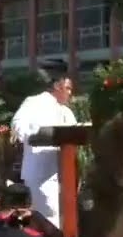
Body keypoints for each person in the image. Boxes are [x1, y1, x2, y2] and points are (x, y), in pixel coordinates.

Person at [11, 62, 77, 226]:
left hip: (64, 173)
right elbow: (17, 125)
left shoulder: (67, 112)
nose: (70, 93)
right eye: (68, 89)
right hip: (41, 172)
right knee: (46, 217)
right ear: (57, 86)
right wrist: (37, 135)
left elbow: (76, 134)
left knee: (64, 218)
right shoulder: (34, 102)